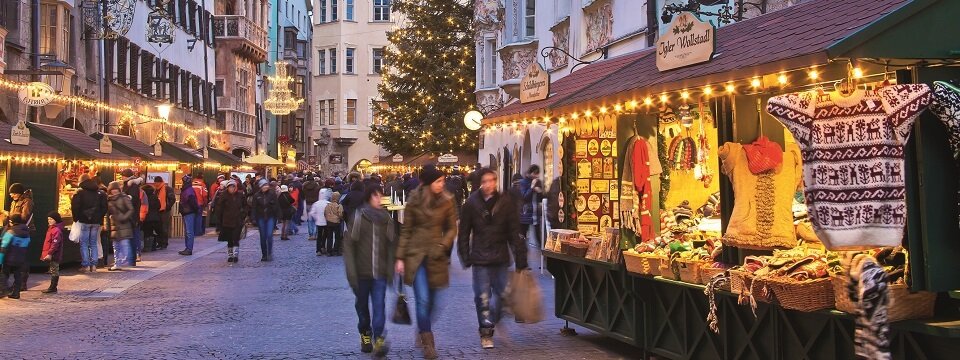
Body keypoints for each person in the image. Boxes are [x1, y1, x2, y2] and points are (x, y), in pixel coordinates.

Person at [457, 169, 528, 348]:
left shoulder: (505, 202)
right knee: (482, 297)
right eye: (485, 181)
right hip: (480, 257)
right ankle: (486, 332)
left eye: (492, 181)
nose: (489, 184)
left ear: (496, 182)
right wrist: (465, 255)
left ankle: (492, 320)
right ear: (480, 183)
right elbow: (464, 231)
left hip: (500, 257)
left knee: (504, 296)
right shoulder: (472, 203)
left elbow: (514, 231)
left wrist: (521, 258)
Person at [395, 164, 458, 360]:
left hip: (437, 255)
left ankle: (423, 327)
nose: (442, 184)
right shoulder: (414, 200)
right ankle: (428, 342)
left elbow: (451, 228)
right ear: (430, 183)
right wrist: (400, 257)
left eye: (443, 181)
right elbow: (406, 230)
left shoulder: (448, 201)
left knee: (436, 300)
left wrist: (443, 244)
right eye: (439, 181)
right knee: (422, 299)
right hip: (416, 255)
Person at [344, 183, 396, 356]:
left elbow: (391, 246)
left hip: (380, 273)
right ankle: (365, 332)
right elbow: (349, 247)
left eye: (381, 195)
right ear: (369, 197)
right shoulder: (358, 217)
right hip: (361, 273)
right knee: (362, 307)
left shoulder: (387, 219)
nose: (379, 199)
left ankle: (379, 340)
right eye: (376, 196)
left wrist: (391, 269)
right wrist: (351, 273)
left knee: (379, 307)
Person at [72, 174, 108, 272]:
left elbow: (75, 207)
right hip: (96, 222)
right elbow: (105, 207)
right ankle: (94, 266)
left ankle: (86, 265)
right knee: (93, 243)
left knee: (84, 243)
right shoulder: (100, 193)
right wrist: (99, 217)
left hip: (84, 221)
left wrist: (76, 218)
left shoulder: (80, 193)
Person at [6, 183, 34, 290]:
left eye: (13, 193)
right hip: (15, 230)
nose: (11, 195)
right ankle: (16, 283)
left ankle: (22, 283)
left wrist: (10, 216)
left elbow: (24, 217)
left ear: (18, 193)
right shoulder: (14, 201)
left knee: (22, 257)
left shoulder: (28, 202)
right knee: (15, 256)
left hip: (25, 231)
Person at [215, 181, 247, 263]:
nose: (231, 189)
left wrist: (243, 215)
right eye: (230, 187)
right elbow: (219, 210)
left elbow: (245, 206)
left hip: (237, 220)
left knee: (236, 238)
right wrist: (219, 223)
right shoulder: (224, 196)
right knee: (229, 239)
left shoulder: (240, 195)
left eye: (233, 187)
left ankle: (235, 255)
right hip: (227, 221)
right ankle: (230, 255)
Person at [0, 215, 31, 299]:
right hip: (20, 258)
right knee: (17, 275)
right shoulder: (26, 233)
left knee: (4, 274)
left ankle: (3, 291)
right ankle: (16, 293)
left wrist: (0, 259)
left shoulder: (10, 232)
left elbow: (4, 247)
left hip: (9, 258)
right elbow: (27, 245)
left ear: (12, 222)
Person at [106, 181, 134, 271]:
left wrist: (123, 218)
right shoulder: (109, 199)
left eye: (115, 189)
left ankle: (124, 260)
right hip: (114, 225)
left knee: (124, 244)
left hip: (124, 224)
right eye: (112, 189)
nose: (114, 191)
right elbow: (107, 213)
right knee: (116, 246)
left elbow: (131, 209)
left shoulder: (124, 198)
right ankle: (117, 263)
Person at [120, 169, 146, 265]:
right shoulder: (130, 185)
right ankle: (132, 257)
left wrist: (125, 199)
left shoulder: (131, 185)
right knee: (133, 236)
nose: (121, 178)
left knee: (133, 236)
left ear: (126, 176)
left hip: (132, 216)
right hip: (132, 215)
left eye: (122, 176)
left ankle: (132, 257)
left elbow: (134, 200)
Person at [253, 179, 279, 261]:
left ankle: (269, 252)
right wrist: (253, 218)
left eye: (266, 185)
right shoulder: (257, 195)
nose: (266, 187)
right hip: (260, 217)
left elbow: (276, 205)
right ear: (260, 186)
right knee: (263, 236)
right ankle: (264, 254)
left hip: (270, 216)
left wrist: (276, 213)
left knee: (269, 235)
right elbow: (254, 207)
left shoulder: (272, 194)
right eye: (264, 185)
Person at [519, 165, 545, 248]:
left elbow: (541, 198)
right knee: (523, 233)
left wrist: (540, 192)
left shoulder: (538, 182)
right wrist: (532, 188)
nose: (536, 176)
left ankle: (543, 252)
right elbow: (524, 197)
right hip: (526, 213)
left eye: (538, 174)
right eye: (535, 173)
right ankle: (520, 250)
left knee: (538, 234)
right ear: (530, 173)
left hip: (535, 212)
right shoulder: (523, 182)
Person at [40, 211, 66, 294]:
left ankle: (53, 287)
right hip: (51, 253)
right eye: (48, 219)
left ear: (56, 220)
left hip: (54, 254)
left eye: (51, 219)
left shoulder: (56, 230)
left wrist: (50, 253)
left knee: (54, 270)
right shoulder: (52, 229)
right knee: (53, 269)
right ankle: (53, 287)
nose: (49, 221)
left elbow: (55, 243)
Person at [151, 176, 176, 250]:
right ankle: (160, 242)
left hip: (165, 211)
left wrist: (167, 207)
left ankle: (164, 243)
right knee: (158, 227)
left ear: (160, 182)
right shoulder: (156, 190)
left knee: (164, 227)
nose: (155, 184)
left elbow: (172, 199)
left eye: (156, 182)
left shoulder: (167, 189)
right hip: (158, 210)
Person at [179, 175, 200, 256]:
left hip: (188, 211)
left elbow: (192, 201)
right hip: (187, 211)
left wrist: (195, 209)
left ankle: (189, 248)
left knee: (189, 231)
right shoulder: (188, 189)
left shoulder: (187, 190)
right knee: (188, 231)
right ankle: (188, 247)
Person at [141, 184, 163, 253]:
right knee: (156, 231)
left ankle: (147, 247)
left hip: (147, 217)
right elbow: (159, 206)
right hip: (156, 217)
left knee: (147, 232)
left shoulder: (144, 197)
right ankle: (154, 246)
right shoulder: (155, 197)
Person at [309, 189, 330, 256]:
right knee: (325, 235)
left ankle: (318, 250)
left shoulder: (316, 204)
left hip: (319, 222)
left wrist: (316, 218)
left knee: (319, 236)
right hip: (326, 222)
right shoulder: (328, 203)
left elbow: (312, 213)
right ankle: (323, 247)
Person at [324, 191, 344, 257]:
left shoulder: (328, 205)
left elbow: (325, 213)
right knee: (337, 237)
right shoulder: (339, 205)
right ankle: (336, 250)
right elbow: (340, 214)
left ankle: (329, 251)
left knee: (329, 237)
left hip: (329, 223)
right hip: (336, 223)